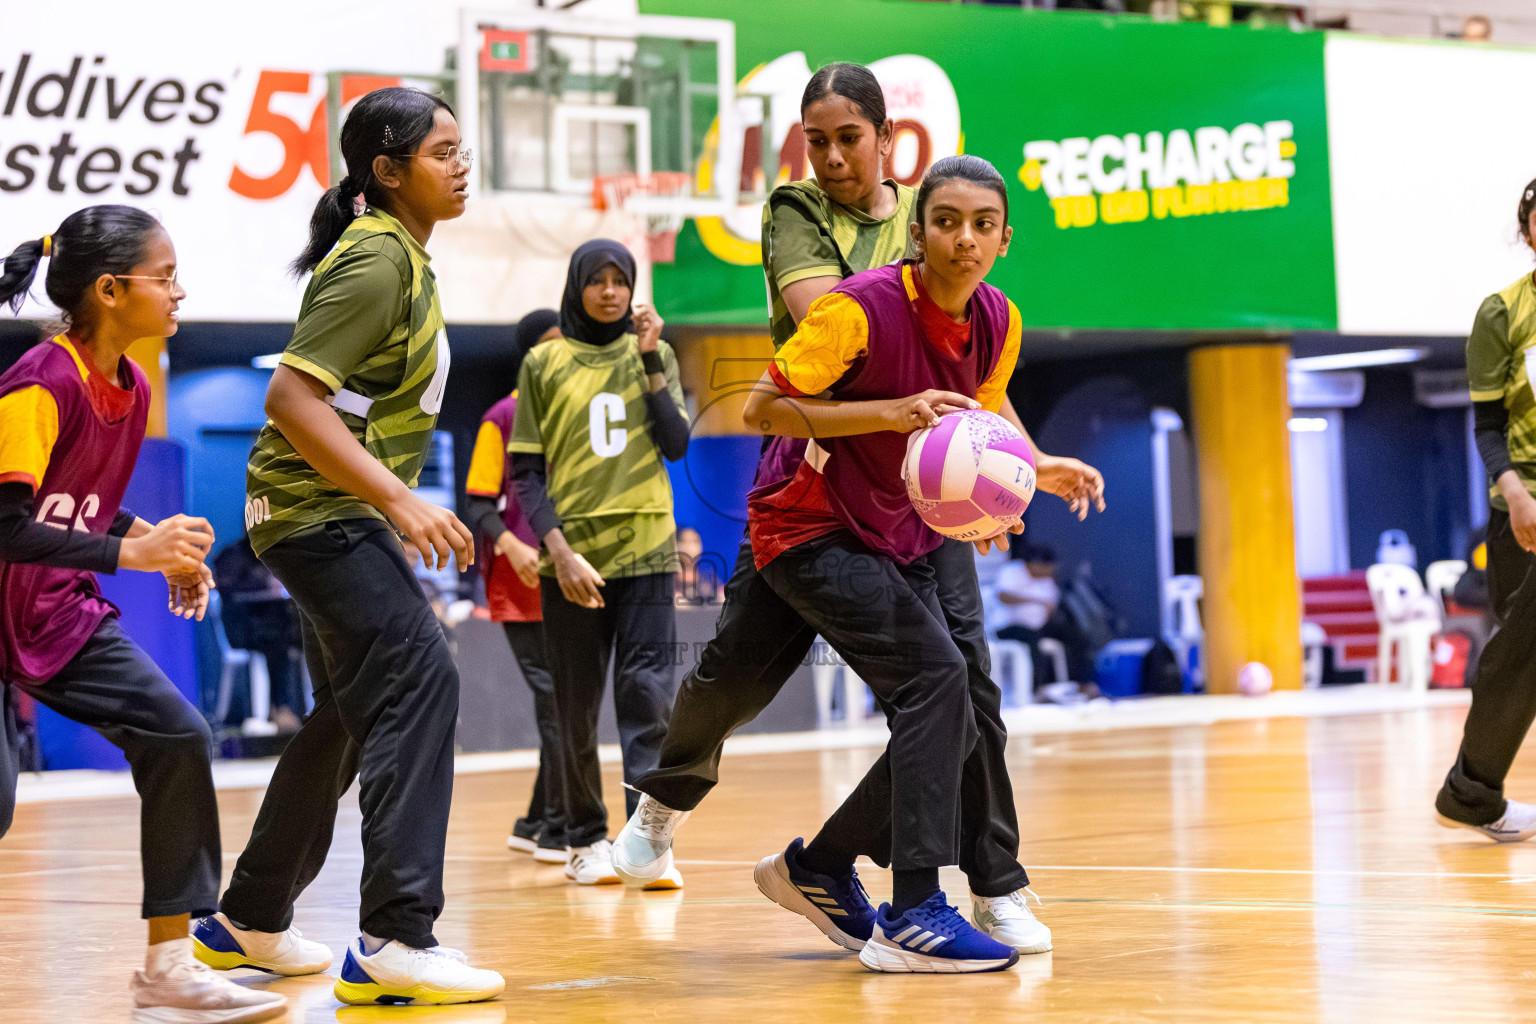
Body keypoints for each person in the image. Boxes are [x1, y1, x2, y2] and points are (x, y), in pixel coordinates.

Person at [613, 64, 1104, 958]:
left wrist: (1023, 471)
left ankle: (990, 882)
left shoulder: (988, 298)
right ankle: (666, 799)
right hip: (814, 488)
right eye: (819, 140)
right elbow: (819, 339)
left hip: (913, 499)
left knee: (959, 686)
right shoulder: (808, 227)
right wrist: (911, 330)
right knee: (735, 676)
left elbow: (981, 398)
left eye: (850, 138)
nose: (833, 156)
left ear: (891, 142)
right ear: (921, 228)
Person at [190, 87, 505, 1005]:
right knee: (422, 676)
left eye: (459, 147)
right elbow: (290, 399)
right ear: (387, 170)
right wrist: (402, 501)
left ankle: (248, 919)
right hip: (312, 512)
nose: (460, 162)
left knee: (350, 714)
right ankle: (396, 937)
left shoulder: (401, 255)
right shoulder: (376, 261)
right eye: (440, 150)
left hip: (325, 513)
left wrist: (385, 507)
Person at [737, 155, 1042, 973]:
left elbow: (966, 433)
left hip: (897, 529)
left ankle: (821, 866)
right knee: (938, 683)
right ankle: (914, 911)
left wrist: (997, 497)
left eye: (983, 225)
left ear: (1004, 239)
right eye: (946, 221)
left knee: (959, 711)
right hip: (805, 527)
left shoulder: (1000, 322)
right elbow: (760, 409)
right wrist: (889, 412)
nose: (964, 239)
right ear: (917, 232)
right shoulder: (858, 309)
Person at [0, 206, 286, 1023]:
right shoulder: (38, 385)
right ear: (111, 289)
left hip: (58, 613)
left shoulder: (131, 385)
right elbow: (7, 521)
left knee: (178, 733)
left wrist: (155, 538)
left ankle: (169, 966)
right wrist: (134, 555)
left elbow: (79, 503)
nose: (179, 291)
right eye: (165, 277)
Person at [510, 240, 691, 889]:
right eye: (599, 280)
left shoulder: (656, 354)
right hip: (574, 560)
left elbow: (676, 443)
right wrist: (558, 552)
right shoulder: (545, 362)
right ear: (578, 286)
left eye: (622, 280)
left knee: (649, 697)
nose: (611, 291)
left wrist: (649, 359)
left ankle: (647, 840)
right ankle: (584, 837)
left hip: (647, 548)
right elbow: (525, 474)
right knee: (576, 705)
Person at [1434, 176, 1536, 844]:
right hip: (1524, 508)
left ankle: (1471, 793)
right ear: (1527, 229)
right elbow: (1486, 425)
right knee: (1519, 652)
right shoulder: (1503, 312)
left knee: (1522, 653)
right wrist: (1516, 491)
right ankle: (1472, 792)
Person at [463, 307, 567, 863]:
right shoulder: (501, 417)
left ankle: (534, 822)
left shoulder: (574, 417)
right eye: (548, 345)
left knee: (564, 702)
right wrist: (515, 545)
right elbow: (479, 504)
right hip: (519, 580)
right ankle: (554, 826)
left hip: (568, 579)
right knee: (554, 699)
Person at [212, 534, 304, 732]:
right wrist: (264, 584)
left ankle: (283, 707)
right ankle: (280, 706)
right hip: (241, 630)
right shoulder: (233, 555)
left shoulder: (270, 553)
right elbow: (226, 587)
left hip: (267, 627)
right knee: (276, 639)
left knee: (282, 632)